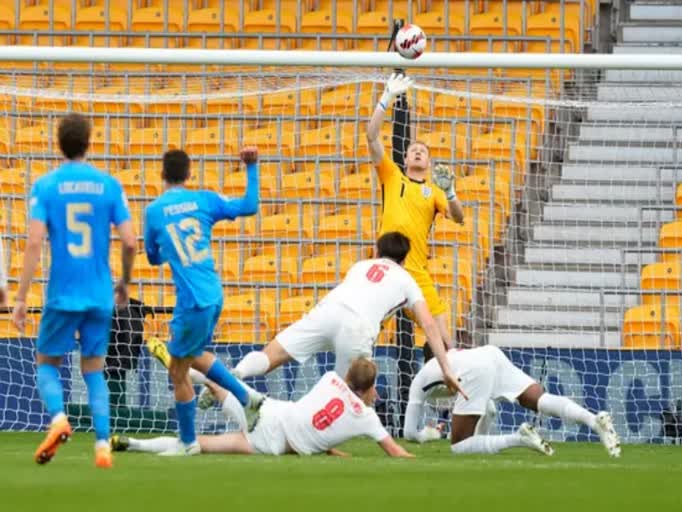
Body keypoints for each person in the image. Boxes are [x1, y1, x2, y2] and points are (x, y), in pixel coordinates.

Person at [12, 113, 137, 468]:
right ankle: (102, 446)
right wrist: (125, 283)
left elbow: (35, 241)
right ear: (89, 142)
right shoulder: (109, 185)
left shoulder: (46, 186)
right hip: (100, 295)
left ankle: (58, 418)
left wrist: (21, 298)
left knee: (47, 363)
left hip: (62, 294)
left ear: (59, 143)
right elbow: (130, 241)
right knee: (94, 370)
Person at [213, 231, 465, 405]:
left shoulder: (360, 266)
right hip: (357, 326)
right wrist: (446, 368)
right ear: (405, 258)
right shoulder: (408, 280)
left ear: (377, 251)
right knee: (352, 396)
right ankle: (319, 434)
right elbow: (430, 324)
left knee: (272, 356)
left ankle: (238, 373)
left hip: (327, 310)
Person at [142, 147, 263, 456]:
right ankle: (247, 398)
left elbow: (153, 257)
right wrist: (251, 167)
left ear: (162, 174)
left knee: (178, 373)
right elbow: (250, 206)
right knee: (196, 356)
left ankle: (188, 442)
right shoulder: (204, 200)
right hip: (213, 295)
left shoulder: (154, 212)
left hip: (192, 302)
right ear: (189, 174)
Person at [111, 358, 414, 458]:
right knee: (196, 445)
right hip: (271, 442)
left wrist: (329, 448)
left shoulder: (330, 378)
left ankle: (189, 371)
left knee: (224, 384)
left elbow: (315, 417)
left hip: (272, 411)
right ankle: (136, 445)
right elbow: (395, 452)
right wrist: (411, 456)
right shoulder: (368, 418)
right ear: (369, 388)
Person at [366, 73, 465, 350]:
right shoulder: (392, 175)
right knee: (366, 331)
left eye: (423, 151)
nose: (418, 152)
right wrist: (385, 99)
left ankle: (450, 384)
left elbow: (459, 218)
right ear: (406, 158)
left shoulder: (435, 191)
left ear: (430, 162)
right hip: (385, 266)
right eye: (413, 150)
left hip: (415, 272)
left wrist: (451, 193)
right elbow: (371, 137)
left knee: (443, 336)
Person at [403, 346, 622, 457]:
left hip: (477, 369)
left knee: (459, 447)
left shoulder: (421, 377)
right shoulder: (457, 354)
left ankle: (519, 438)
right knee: (540, 399)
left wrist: (432, 434)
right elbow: (487, 409)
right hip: (490, 354)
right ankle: (594, 420)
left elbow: (409, 434)